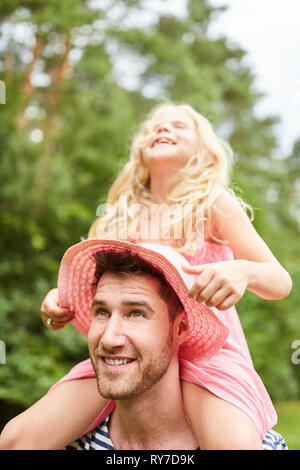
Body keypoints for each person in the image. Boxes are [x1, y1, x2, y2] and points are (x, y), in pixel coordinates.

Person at [1, 102, 292, 449]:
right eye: (153, 126)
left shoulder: (212, 203)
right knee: (16, 439)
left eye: (178, 126)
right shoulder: (118, 216)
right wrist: (57, 298)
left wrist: (243, 272)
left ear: (202, 151)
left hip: (209, 355)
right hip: (130, 356)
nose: (162, 129)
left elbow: (280, 280)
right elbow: (100, 287)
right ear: (139, 148)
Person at [0, 240, 287, 450]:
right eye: (101, 312)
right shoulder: (68, 441)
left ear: (181, 329)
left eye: (136, 313)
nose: (110, 338)